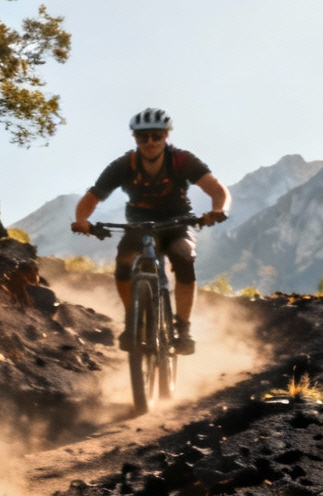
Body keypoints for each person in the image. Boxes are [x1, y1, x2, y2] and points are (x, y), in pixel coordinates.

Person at [69, 108, 230, 355]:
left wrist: (218, 209)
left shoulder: (181, 161)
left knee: (185, 256)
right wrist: (81, 220)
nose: (150, 142)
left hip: (176, 223)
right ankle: (131, 320)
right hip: (139, 224)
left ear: (166, 135)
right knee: (124, 262)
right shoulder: (124, 165)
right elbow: (92, 198)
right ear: (135, 138)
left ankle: (183, 328)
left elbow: (218, 190)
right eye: (143, 137)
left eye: (156, 136)